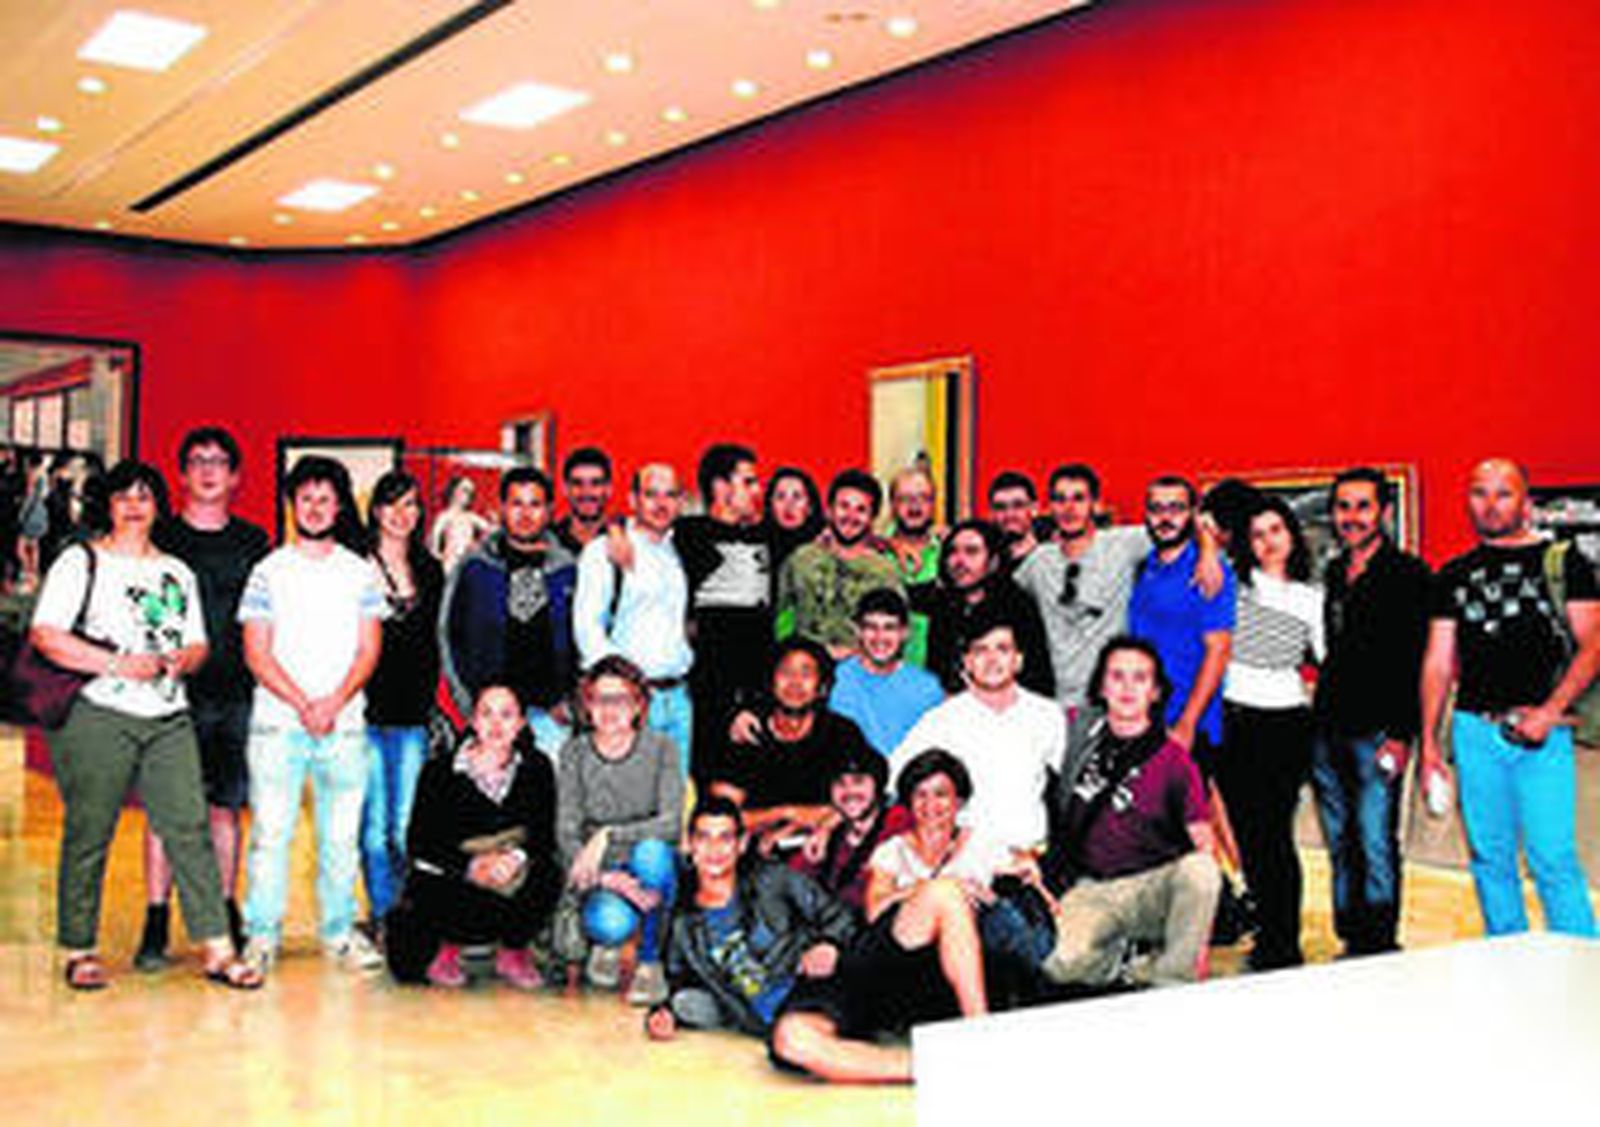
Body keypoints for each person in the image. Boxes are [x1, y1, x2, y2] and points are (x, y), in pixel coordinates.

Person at [29, 459, 259, 990]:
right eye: (123, 496)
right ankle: (79, 948)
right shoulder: (81, 561)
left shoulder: (175, 571)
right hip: (98, 712)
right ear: (108, 505)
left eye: (144, 496)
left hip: (168, 714)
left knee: (189, 827)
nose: (134, 505)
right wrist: (117, 664)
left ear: (159, 507)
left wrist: (184, 659)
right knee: (90, 830)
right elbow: (47, 635)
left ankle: (218, 948)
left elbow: (198, 643)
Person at [1420, 458, 1599, 938]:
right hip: (1474, 731)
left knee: (1552, 859)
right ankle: (1506, 955)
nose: (1491, 504)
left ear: (1525, 502)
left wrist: (1550, 711)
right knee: (1489, 858)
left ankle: (1584, 963)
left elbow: (1594, 645)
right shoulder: (1453, 574)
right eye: (1480, 493)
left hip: (1543, 736)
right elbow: (1438, 662)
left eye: (1504, 493)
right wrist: (1430, 744)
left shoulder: (1564, 562)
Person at [645, 797, 917, 1085]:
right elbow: (680, 978)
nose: (715, 850)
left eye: (725, 838)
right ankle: (926, 1067)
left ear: (741, 844)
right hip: (786, 1021)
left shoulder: (772, 879)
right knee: (793, 1042)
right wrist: (663, 1013)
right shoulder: (683, 924)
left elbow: (839, 916)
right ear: (689, 845)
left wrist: (828, 944)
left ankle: (934, 1059)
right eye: (704, 838)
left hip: (823, 986)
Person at [238, 455, 386, 973]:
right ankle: (261, 935)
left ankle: (339, 933)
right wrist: (304, 704)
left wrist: (333, 702)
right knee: (270, 837)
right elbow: (256, 652)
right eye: (306, 498)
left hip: (344, 727)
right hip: (277, 725)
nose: (316, 508)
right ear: (292, 504)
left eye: (326, 499)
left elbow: (369, 649)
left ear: (340, 506)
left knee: (340, 840)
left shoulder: (360, 573)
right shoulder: (268, 571)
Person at [136, 426, 271, 969]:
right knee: (165, 813)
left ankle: (223, 910)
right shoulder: (159, 538)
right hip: (170, 696)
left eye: (219, 462)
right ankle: (155, 919)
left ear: (235, 476)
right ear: (182, 474)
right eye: (197, 461)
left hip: (236, 692)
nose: (208, 471)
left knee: (224, 809)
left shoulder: (254, 542)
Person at [1041, 637, 1220, 987]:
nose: (1127, 688)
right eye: (1117, 676)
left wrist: (1199, 945)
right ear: (1101, 686)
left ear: (1155, 692)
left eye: (1140, 678)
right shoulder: (1076, 733)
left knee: (1201, 870)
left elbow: (1204, 843)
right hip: (1091, 888)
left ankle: (1172, 976)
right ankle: (1124, 961)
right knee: (1057, 965)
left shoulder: (1175, 760)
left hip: (1152, 889)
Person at [1310, 467, 1432, 956]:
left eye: (1363, 506)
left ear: (1384, 511)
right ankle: (1350, 936)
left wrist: (1403, 736)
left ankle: (1379, 944)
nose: (1352, 517)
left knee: (1375, 838)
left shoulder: (1409, 575)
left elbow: (1416, 661)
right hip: (1327, 730)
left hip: (1380, 732)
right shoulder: (1335, 572)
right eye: (1343, 507)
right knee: (1339, 840)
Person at [386, 684, 562, 990]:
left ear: (521, 723)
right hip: (458, 877)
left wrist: (514, 859)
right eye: (486, 714)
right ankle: (447, 948)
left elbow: (543, 833)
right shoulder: (439, 771)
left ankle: (513, 951)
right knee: (419, 915)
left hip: (510, 876)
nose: (496, 724)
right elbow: (420, 842)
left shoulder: (537, 767)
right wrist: (470, 866)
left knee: (548, 874)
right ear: (473, 721)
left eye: (506, 715)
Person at [1218, 495, 1325, 970]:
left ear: (1292, 536)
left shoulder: (1311, 598)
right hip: (1234, 721)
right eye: (1257, 534)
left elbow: (1327, 660)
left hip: (1284, 726)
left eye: (1276, 530)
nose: (1267, 542)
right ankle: (1265, 930)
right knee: (1247, 836)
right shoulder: (1232, 585)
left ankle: (1284, 944)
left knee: (1275, 838)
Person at [1015, 463, 1222, 710]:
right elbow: (1002, 595)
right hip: (1058, 701)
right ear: (1049, 507)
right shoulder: (1038, 561)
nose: (1069, 508)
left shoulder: (1123, 544)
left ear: (1096, 504)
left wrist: (1208, 553)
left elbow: (1182, 524)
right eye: (1060, 499)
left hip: (1116, 698)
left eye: (1079, 499)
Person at [554, 656, 685, 1005]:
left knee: (653, 853)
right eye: (601, 699)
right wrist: (604, 879)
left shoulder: (663, 748)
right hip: (602, 870)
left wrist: (608, 834)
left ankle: (650, 961)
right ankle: (608, 943)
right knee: (608, 923)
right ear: (587, 705)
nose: (610, 710)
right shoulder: (574, 752)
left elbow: (671, 823)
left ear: (639, 705)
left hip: (649, 866)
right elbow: (566, 831)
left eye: (621, 699)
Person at [890, 608, 1066, 856]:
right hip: (964, 861)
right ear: (967, 662)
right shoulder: (942, 719)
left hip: (1031, 858)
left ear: (1018, 660)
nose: (992, 660)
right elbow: (893, 776)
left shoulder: (1047, 715)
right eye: (981, 650)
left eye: (1002, 649)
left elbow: (1072, 784)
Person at [439, 465, 578, 755]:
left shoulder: (568, 569)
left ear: (549, 510)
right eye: (516, 504)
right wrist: (468, 705)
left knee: (550, 785)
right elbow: (448, 635)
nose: (525, 514)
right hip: (491, 717)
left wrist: (572, 701)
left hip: (550, 717)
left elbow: (585, 637)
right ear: (502, 507)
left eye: (535, 504)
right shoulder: (474, 566)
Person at [360, 470, 445, 936]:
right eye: (391, 503)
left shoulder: (430, 570)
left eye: (410, 503)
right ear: (375, 510)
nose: (400, 513)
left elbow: (439, 643)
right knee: (373, 830)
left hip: (412, 718)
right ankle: (383, 917)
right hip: (363, 716)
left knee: (404, 827)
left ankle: (409, 914)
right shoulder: (354, 566)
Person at [573, 463, 693, 775]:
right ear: (633, 499)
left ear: (681, 502)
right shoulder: (603, 552)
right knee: (625, 795)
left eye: (670, 495)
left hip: (678, 699)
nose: (661, 504)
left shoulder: (682, 550)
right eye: (651, 494)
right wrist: (621, 691)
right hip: (629, 701)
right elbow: (587, 629)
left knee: (674, 796)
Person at [674, 443, 775, 789]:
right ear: (720, 487)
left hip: (758, 689)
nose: (757, 490)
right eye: (748, 481)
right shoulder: (689, 535)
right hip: (710, 692)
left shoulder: (764, 535)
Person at [716, 638, 876, 848]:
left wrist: (800, 825)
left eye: (806, 674)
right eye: (786, 672)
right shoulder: (748, 732)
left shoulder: (842, 734)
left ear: (822, 688)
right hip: (757, 851)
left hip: (826, 846)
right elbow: (721, 817)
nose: (795, 682)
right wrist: (786, 813)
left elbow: (864, 801)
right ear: (771, 682)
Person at [1127, 475, 1235, 769]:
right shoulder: (1145, 566)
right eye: (1156, 509)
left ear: (1193, 515)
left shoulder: (1209, 571)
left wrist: (1188, 723)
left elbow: (1218, 651)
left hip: (1190, 725)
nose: (1165, 518)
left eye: (1176, 508)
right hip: (1146, 719)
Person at [775, 468, 902, 658]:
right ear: (829, 510)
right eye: (844, 506)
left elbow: (895, 633)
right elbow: (781, 619)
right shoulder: (801, 560)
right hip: (807, 667)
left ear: (872, 518)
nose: (851, 515)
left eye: (861, 510)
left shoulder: (885, 571)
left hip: (861, 669)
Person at [920, 518, 1055, 698]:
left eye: (972, 551)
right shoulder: (944, 606)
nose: (959, 561)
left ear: (993, 561)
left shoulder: (1017, 607)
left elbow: (1037, 679)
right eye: (952, 552)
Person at [828, 588, 944, 757]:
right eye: (871, 627)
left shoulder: (927, 689)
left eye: (889, 628)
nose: (880, 637)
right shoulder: (833, 680)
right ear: (858, 631)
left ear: (905, 633)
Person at [789, 744, 898, 916]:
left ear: (878, 784)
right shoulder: (828, 838)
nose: (849, 791)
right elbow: (791, 882)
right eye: (840, 783)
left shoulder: (899, 822)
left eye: (858, 781)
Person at [885, 466, 941, 667]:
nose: (914, 506)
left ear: (934, 505)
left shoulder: (950, 552)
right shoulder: (874, 552)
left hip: (937, 674)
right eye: (905, 499)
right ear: (892, 505)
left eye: (923, 498)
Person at [552, 446, 615, 555]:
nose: (587, 492)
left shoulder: (627, 538)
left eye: (595, 483)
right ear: (565, 489)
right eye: (578, 483)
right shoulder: (550, 539)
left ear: (609, 489)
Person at [761, 465, 824, 569]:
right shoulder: (757, 547)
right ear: (770, 505)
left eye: (797, 496)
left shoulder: (826, 547)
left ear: (810, 507)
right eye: (781, 497)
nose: (789, 505)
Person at [429, 475, 492, 574]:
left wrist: (478, 545)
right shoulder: (445, 516)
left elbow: (490, 530)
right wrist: (439, 555)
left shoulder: (470, 517)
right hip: (451, 563)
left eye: (471, 492)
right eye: (465, 490)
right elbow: (434, 538)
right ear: (454, 490)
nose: (468, 495)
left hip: (468, 563)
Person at [986, 470, 1047, 572]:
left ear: (1034, 509)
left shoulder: (1054, 553)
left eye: (1018, 505)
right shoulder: (985, 559)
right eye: (1000, 507)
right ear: (992, 513)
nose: (1009, 514)